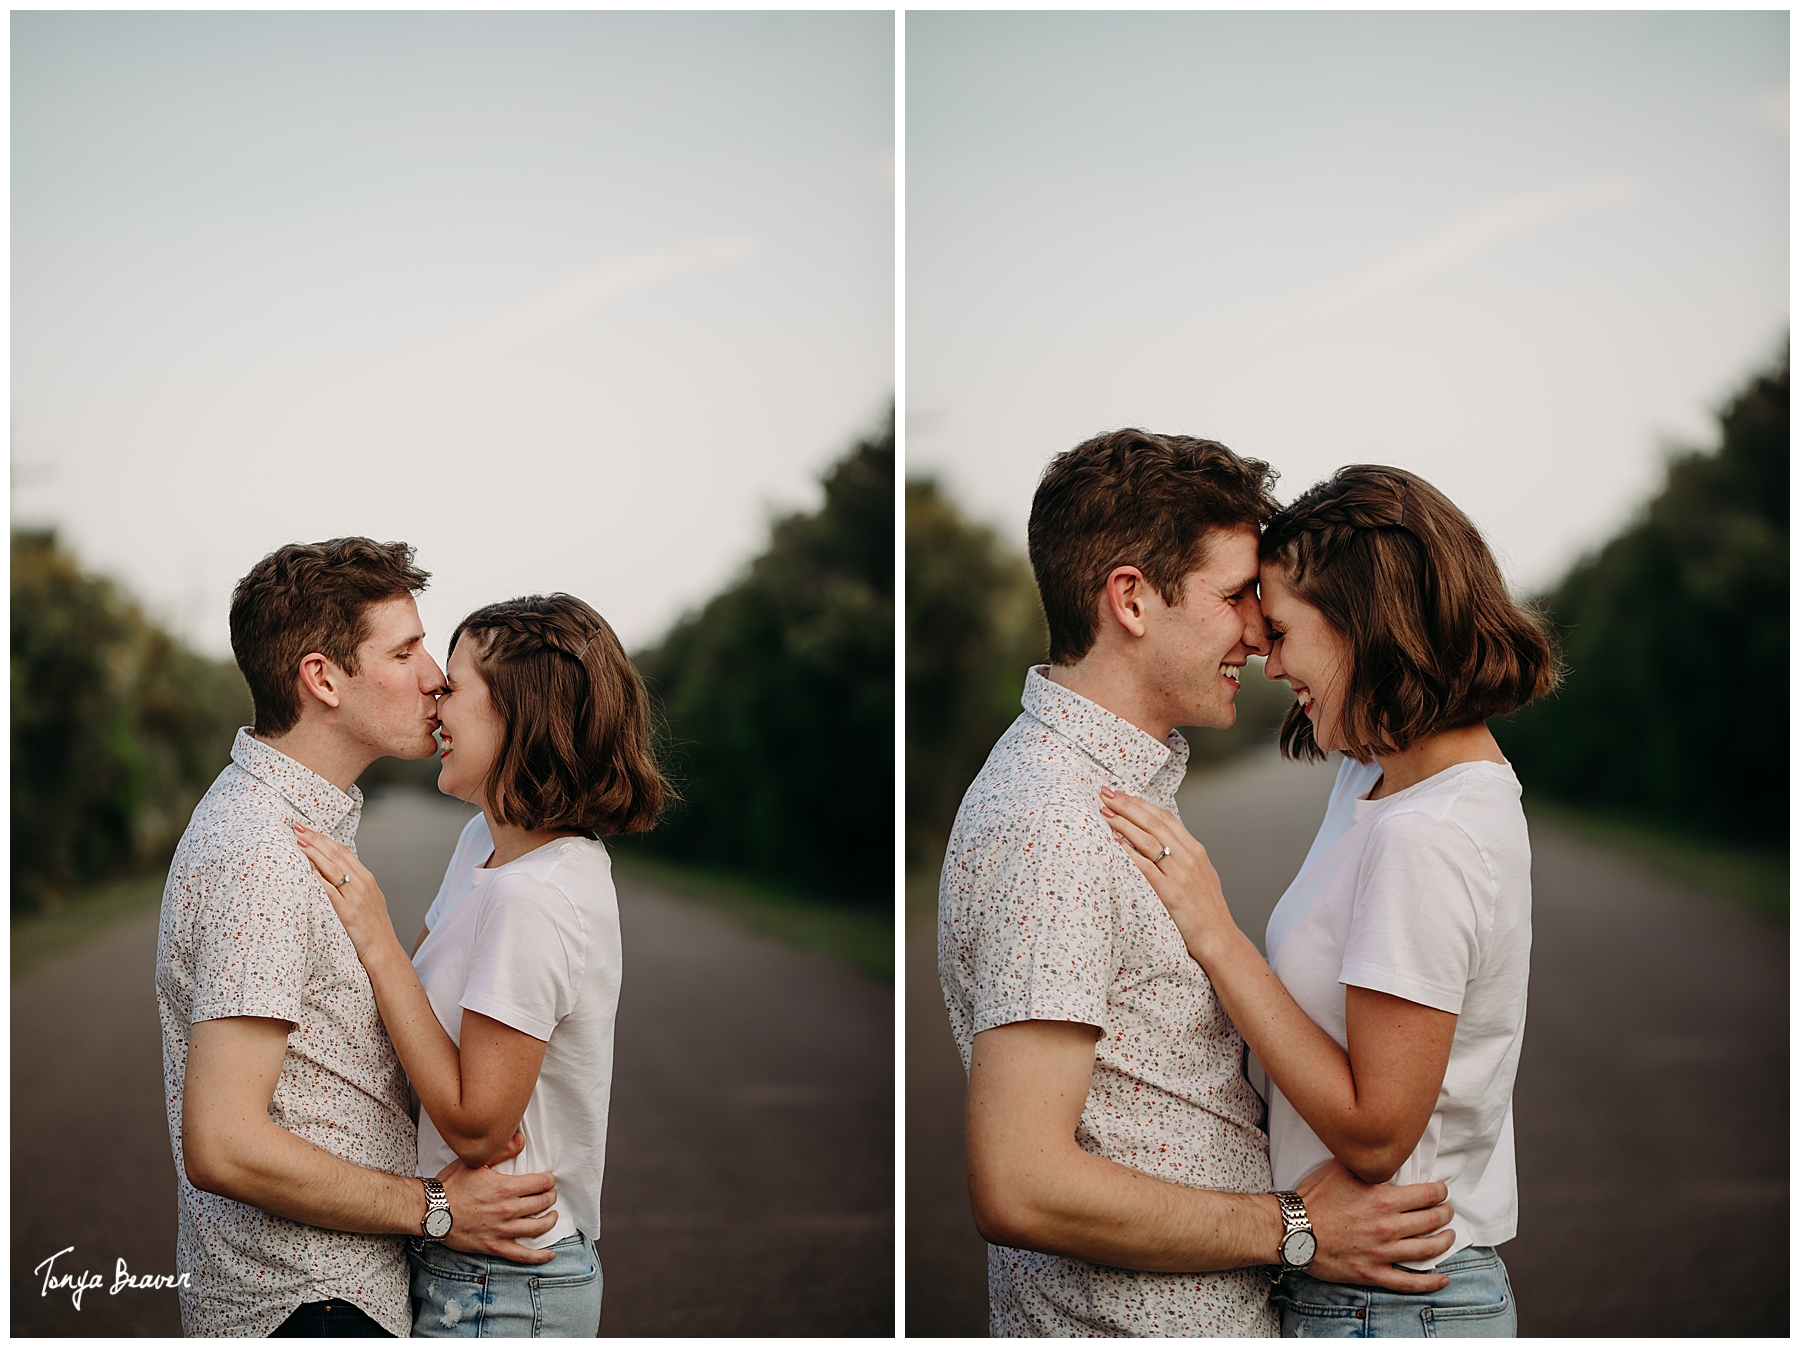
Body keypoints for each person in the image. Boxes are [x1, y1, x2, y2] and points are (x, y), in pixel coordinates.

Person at [938, 432, 1460, 1338]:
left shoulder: (1109, 793)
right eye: (1233, 597)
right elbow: (1020, 1183)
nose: (1259, 635)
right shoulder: (1052, 821)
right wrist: (1296, 1229)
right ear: (1131, 599)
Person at [1103, 465, 1559, 1337]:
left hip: (1387, 1304)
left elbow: (1378, 1133)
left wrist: (1216, 933)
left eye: (1279, 631)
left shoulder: (1428, 833)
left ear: (1363, 624)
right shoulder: (1381, 776)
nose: (1268, 662)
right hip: (1359, 1294)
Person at [158, 538, 564, 1338]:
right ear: (322, 679)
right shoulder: (261, 858)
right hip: (307, 1307)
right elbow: (224, 1143)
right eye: (405, 650)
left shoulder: (293, 824)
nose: (434, 677)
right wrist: (438, 1209)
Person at [291, 592, 667, 1337]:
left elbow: (480, 1129)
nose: (435, 699)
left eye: (456, 686)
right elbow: (420, 1024)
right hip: (457, 1255)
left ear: (520, 715)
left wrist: (377, 937)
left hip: (507, 1283)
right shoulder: (483, 850)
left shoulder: (540, 895)